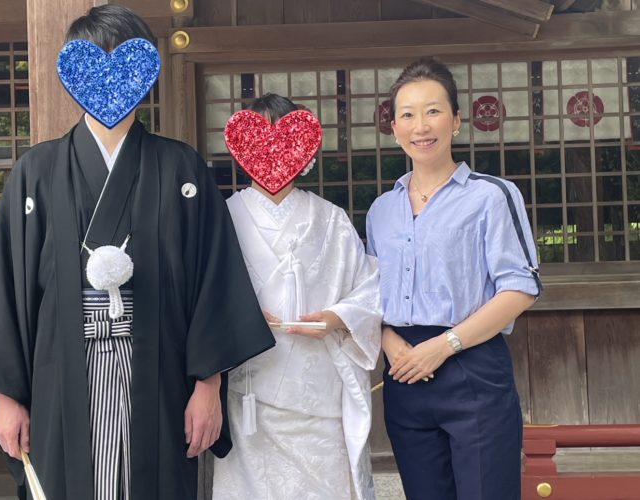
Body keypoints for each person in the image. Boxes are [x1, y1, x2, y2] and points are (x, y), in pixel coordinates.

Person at [0, 5, 274, 500]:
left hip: (161, 373)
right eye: (95, 66)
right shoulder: (36, 172)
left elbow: (214, 281)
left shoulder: (180, 168)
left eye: (123, 66)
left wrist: (208, 387)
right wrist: (6, 398)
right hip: (60, 374)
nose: (110, 82)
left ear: (145, 75)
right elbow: (4, 290)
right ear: (73, 76)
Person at [366, 58, 541, 500]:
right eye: (406, 114)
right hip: (405, 374)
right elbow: (368, 293)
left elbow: (521, 287)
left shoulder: (491, 195)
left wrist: (443, 347)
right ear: (394, 126)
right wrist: (390, 343)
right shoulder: (380, 210)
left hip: (472, 368)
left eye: (433, 111)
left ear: (457, 121)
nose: (420, 126)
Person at [212, 93, 382, 500]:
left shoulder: (331, 219)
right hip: (249, 392)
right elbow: (200, 297)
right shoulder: (222, 217)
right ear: (242, 151)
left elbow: (369, 289)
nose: (271, 153)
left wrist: (336, 317)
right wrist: (241, 316)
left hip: (317, 391)